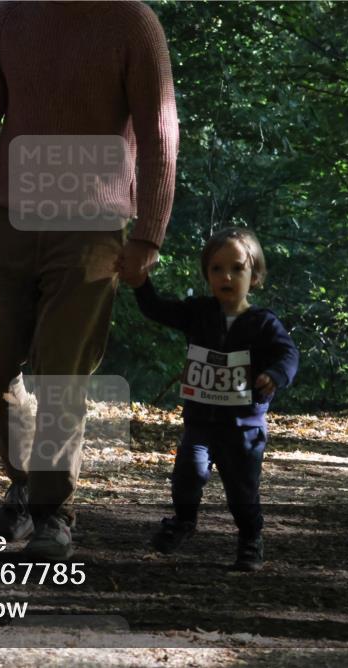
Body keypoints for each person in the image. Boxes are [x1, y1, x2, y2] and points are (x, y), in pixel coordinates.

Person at [0, 1, 178, 559]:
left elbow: (158, 131)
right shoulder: (11, 17)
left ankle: (53, 511)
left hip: (91, 228)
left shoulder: (132, 23)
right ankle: (29, 478)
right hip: (9, 218)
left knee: (61, 374)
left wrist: (148, 235)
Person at [124, 227, 298, 571]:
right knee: (187, 472)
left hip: (244, 428)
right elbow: (158, 309)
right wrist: (140, 282)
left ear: (255, 276)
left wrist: (275, 376)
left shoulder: (263, 323)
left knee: (242, 493)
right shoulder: (199, 312)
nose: (227, 276)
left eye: (237, 268)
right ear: (207, 275)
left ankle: (250, 538)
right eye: (217, 269)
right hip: (201, 423)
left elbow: (288, 355)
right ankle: (184, 521)